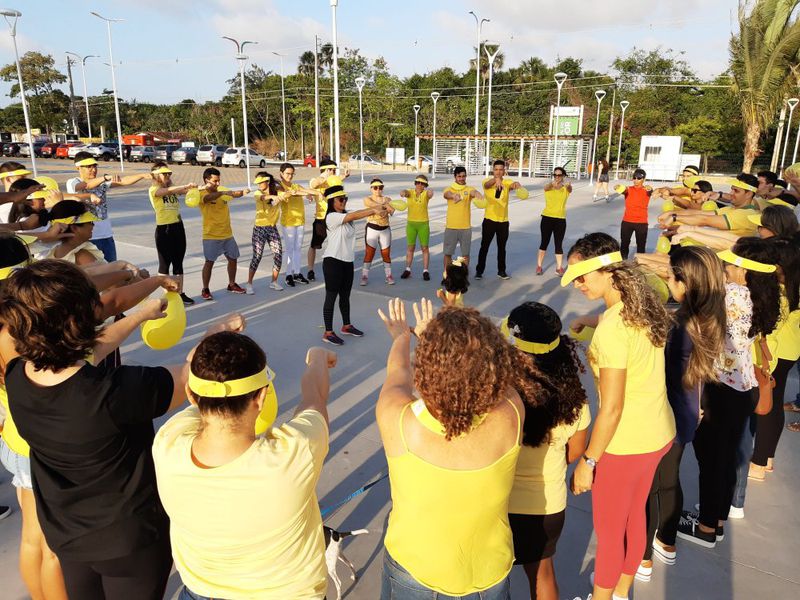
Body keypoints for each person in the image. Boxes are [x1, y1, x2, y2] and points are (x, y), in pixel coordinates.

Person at [0, 259, 244, 600]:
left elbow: (87, 354)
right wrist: (214, 334)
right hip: (128, 542)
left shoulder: (18, 377)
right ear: (81, 319)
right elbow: (194, 378)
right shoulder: (120, 391)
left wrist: (140, 315)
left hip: (67, 534)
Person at [152, 333, 335, 600]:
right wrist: (318, 358)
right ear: (261, 397)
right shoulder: (294, 454)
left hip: (202, 593)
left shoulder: (167, 443)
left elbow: (204, 398)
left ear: (191, 395)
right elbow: (314, 397)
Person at [376, 298, 534, 599]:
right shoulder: (512, 412)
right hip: (489, 574)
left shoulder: (399, 422)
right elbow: (493, 376)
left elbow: (397, 374)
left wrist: (404, 336)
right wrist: (435, 340)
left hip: (415, 573)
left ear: (425, 369)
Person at [564, 232, 675, 600]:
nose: (578, 284)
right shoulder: (643, 299)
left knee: (610, 533)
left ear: (606, 269)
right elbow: (616, 317)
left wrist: (588, 461)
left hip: (624, 444)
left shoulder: (613, 332)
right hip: (657, 434)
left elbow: (611, 408)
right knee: (633, 519)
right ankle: (621, 592)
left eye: (582, 275)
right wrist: (589, 319)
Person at [677, 238, 780, 548]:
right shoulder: (763, 296)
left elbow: (693, 313)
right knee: (727, 456)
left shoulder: (732, 295)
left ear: (745, 271)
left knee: (711, 460)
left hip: (721, 387)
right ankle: (717, 517)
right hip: (744, 387)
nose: (725, 267)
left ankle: (707, 528)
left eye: (731, 264)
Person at [634, 247, 726, 581]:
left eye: (672, 277)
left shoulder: (681, 325)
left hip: (666, 415)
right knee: (669, 481)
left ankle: (643, 558)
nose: (668, 281)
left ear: (684, 284)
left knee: (650, 486)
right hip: (687, 414)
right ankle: (667, 542)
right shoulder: (709, 315)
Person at [504, 302, 590, 600]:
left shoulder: (501, 394)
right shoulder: (575, 399)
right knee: (542, 573)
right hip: (548, 506)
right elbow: (576, 450)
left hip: (498, 501)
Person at [749, 237, 800, 478]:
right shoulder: (794, 287)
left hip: (773, 354)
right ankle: (767, 457)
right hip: (789, 351)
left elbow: (767, 329)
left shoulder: (778, 295)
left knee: (765, 405)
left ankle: (758, 463)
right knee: (774, 403)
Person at [322, 184, 387, 346]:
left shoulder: (346, 216)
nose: (344, 202)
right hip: (333, 262)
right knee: (331, 297)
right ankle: (328, 332)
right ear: (332, 201)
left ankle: (346, 325)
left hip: (347, 262)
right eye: (340, 199)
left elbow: (355, 215)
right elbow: (356, 215)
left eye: (346, 199)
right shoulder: (331, 217)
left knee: (345, 296)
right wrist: (374, 210)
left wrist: (383, 208)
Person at [66, 152, 151, 262]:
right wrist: (105, 177)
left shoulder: (102, 183)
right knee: (94, 272)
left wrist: (142, 175)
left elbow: (124, 181)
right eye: (88, 167)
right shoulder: (73, 182)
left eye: (94, 166)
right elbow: (86, 185)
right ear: (78, 168)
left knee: (113, 268)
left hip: (106, 236)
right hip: (88, 239)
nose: (93, 169)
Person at [197, 167, 250, 300]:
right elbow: (208, 198)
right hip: (211, 236)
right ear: (206, 180)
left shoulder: (222, 190)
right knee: (209, 262)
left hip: (227, 234)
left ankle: (232, 284)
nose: (218, 184)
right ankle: (205, 289)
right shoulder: (201, 193)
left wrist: (243, 192)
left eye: (219, 181)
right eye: (215, 181)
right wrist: (222, 193)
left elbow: (233, 193)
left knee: (233, 258)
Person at [147, 162, 196, 305]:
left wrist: (201, 187)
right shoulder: (153, 190)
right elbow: (167, 192)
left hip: (178, 227)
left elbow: (186, 191)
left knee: (178, 262)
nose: (167, 176)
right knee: (164, 264)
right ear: (156, 175)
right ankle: (168, 295)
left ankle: (179, 293)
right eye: (164, 174)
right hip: (164, 230)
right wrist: (185, 186)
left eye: (169, 174)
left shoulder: (172, 189)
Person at [660, 174, 760, 240]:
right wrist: (672, 213)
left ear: (749, 194)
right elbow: (700, 213)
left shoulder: (747, 214)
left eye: (736, 191)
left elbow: (705, 220)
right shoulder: (731, 209)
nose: (731, 193)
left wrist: (674, 217)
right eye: (732, 189)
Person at [476, 160, 522, 280]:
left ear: (504, 171)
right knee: (484, 247)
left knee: (502, 248)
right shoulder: (486, 181)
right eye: (496, 169)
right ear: (493, 170)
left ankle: (501, 271)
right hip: (489, 220)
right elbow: (486, 185)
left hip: (503, 221)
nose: (498, 172)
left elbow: (512, 185)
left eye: (501, 169)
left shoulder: (507, 182)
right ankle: (479, 271)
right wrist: (495, 180)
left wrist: (516, 184)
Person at [279, 162, 321, 287]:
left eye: (292, 174)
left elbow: (303, 190)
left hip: (300, 221)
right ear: (281, 173)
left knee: (297, 248)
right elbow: (294, 193)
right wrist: (307, 193)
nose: (290, 176)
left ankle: (297, 273)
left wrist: (312, 192)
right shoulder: (279, 186)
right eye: (287, 173)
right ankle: (288, 275)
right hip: (288, 222)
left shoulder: (295, 185)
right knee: (290, 249)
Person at [307, 158, 349, 281]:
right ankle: (310, 270)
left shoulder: (333, 180)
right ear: (326, 170)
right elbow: (314, 184)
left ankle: (337, 269)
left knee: (337, 244)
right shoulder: (317, 181)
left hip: (335, 217)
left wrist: (344, 176)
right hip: (321, 218)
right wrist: (324, 176)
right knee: (314, 245)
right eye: (332, 170)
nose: (334, 172)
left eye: (335, 170)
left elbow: (337, 181)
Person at [246, 171, 286, 294]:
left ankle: (273, 282)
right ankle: (249, 284)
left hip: (272, 228)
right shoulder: (258, 193)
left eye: (260, 182)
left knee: (278, 255)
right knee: (257, 256)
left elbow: (286, 192)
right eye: (257, 182)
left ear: (267, 181)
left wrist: (279, 190)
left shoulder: (277, 191)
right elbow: (263, 197)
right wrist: (273, 196)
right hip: (259, 228)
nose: (258, 185)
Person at [442, 167, 482, 276]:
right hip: (451, 227)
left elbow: (473, 192)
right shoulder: (449, 189)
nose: (461, 178)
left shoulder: (469, 189)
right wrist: (453, 195)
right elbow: (446, 194)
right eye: (459, 176)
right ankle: (447, 276)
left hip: (465, 228)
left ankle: (464, 277)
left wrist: (477, 193)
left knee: (465, 255)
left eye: (463, 176)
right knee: (448, 254)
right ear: (455, 176)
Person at [360, 178, 396, 286]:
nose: (378, 190)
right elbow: (373, 205)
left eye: (380, 187)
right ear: (371, 189)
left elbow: (392, 211)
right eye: (375, 187)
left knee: (386, 254)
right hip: (372, 228)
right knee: (369, 254)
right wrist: (385, 206)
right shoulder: (367, 199)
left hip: (385, 228)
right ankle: (364, 276)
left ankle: (388, 275)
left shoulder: (387, 199)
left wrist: (386, 207)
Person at [45, 200, 104, 265]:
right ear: (74, 228)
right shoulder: (82, 257)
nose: (93, 225)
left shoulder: (54, 252)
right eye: (90, 222)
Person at [537, 167, 572, 276]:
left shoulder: (566, 188)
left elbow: (570, 189)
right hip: (547, 218)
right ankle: (539, 266)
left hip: (560, 219)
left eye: (559, 175)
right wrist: (553, 183)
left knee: (558, 244)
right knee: (544, 242)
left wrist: (567, 184)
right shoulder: (549, 187)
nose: (557, 177)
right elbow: (546, 187)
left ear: (563, 176)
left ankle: (559, 267)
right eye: (555, 175)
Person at [399, 175, 434, 280]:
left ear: (425, 185)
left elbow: (429, 194)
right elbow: (405, 192)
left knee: (424, 248)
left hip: (423, 224)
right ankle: (408, 269)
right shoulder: (410, 192)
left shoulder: (425, 194)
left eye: (422, 183)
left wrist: (430, 192)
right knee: (410, 247)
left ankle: (425, 271)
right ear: (415, 183)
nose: (419, 185)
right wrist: (403, 192)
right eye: (418, 182)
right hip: (411, 224)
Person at [619, 168, 653, 259]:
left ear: (644, 179)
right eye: (634, 178)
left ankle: (640, 265)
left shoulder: (646, 190)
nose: (636, 180)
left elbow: (650, 190)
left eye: (639, 178)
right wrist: (618, 187)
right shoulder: (629, 189)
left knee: (641, 246)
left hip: (641, 223)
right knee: (624, 244)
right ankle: (623, 262)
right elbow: (623, 190)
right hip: (627, 221)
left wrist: (650, 188)